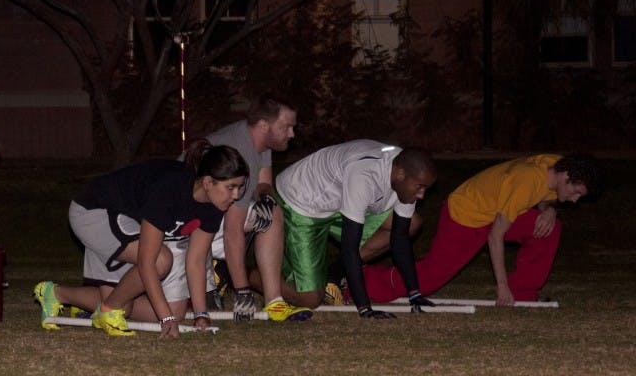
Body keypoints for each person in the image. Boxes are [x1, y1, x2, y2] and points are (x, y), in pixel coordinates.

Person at [33, 143, 249, 337]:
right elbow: (147, 263)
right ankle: (107, 311)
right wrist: (166, 318)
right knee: (159, 262)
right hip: (94, 211)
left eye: (239, 187)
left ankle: (55, 293)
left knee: (172, 311)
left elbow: (196, 260)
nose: (236, 195)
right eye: (231, 187)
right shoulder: (170, 189)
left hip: (126, 223)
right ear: (208, 181)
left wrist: (201, 314)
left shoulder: (215, 205)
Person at [363, 153, 600, 305]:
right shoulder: (526, 181)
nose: (575, 200)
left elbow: (543, 196)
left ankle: (524, 293)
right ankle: (359, 280)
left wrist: (549, 209)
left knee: (550, 227)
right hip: (466, 214)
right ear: (567, 177)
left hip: (495, 212)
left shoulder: (553, 166)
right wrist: (502, 287)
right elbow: (495, 236)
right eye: (576, 192)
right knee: (427, 281)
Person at [275, 140, 436, 317]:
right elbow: (349, 247)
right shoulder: (365, 175)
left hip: (340, 199)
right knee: (310, 299)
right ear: (400, 175)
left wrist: (415, 294)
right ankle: (255, 274)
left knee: (412, 222)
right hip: (303, 202)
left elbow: (400, 238)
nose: (422, 195)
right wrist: (364, 308)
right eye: (419, 187)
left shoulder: (405, 167)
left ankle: (333, 276)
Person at [186, 93, 311, 322]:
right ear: (264, 125)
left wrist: (265, 197)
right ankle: (217, 277)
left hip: (209, 216)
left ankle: (274, 302)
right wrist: (242, 291)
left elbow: (264, 184)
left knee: (271, 210)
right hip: (183, 222)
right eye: (286, 127)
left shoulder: (261, 144)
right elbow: (233, 230)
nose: (292, 134)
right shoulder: (239, 149)